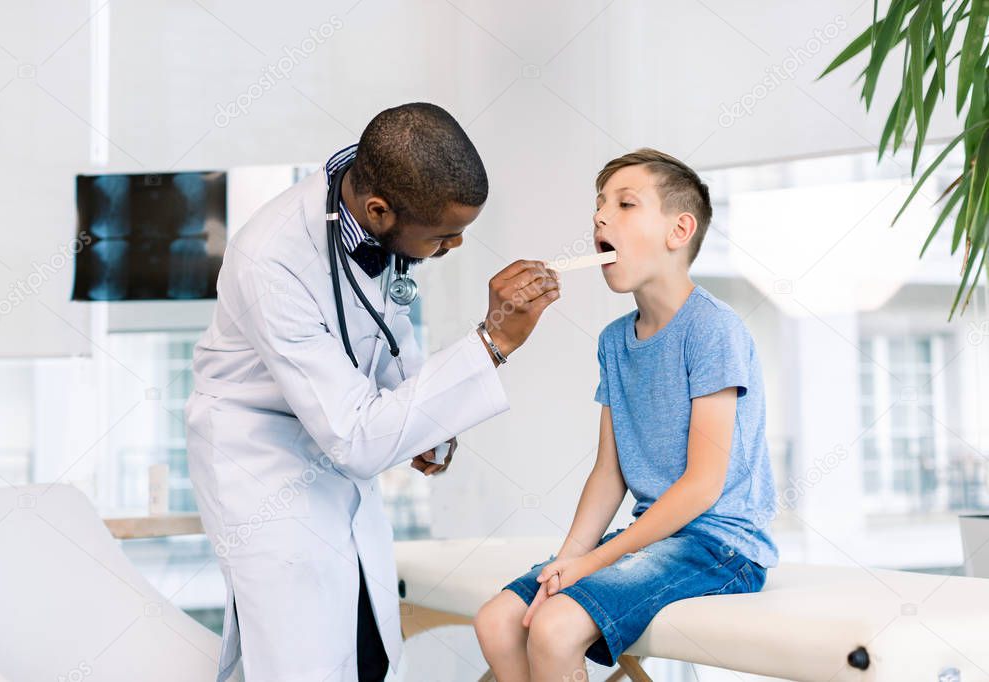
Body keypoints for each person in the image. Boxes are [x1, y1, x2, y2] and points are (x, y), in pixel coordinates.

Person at [184, 102, 561, 682]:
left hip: (336, 445)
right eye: (445, 235)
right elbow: (356, 439)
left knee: (367, 645)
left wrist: (428, 421)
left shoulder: (367, 216)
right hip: (261, 461)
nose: (454, 246)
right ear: (379, 210)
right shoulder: (271, 260)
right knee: (301, 652)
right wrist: (490, 344)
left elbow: (384, 329)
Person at [474, 148, 779, 680]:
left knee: (554, 627)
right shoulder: (615, 341)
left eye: (625, 204)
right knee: (499, 620)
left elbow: (703, 486)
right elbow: (608, 472)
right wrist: (566, 559)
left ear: (678, 230)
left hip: (720, 546)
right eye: (598, 206)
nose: (600, 216)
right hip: (653, 538)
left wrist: (590, 564)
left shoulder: (712, 330)